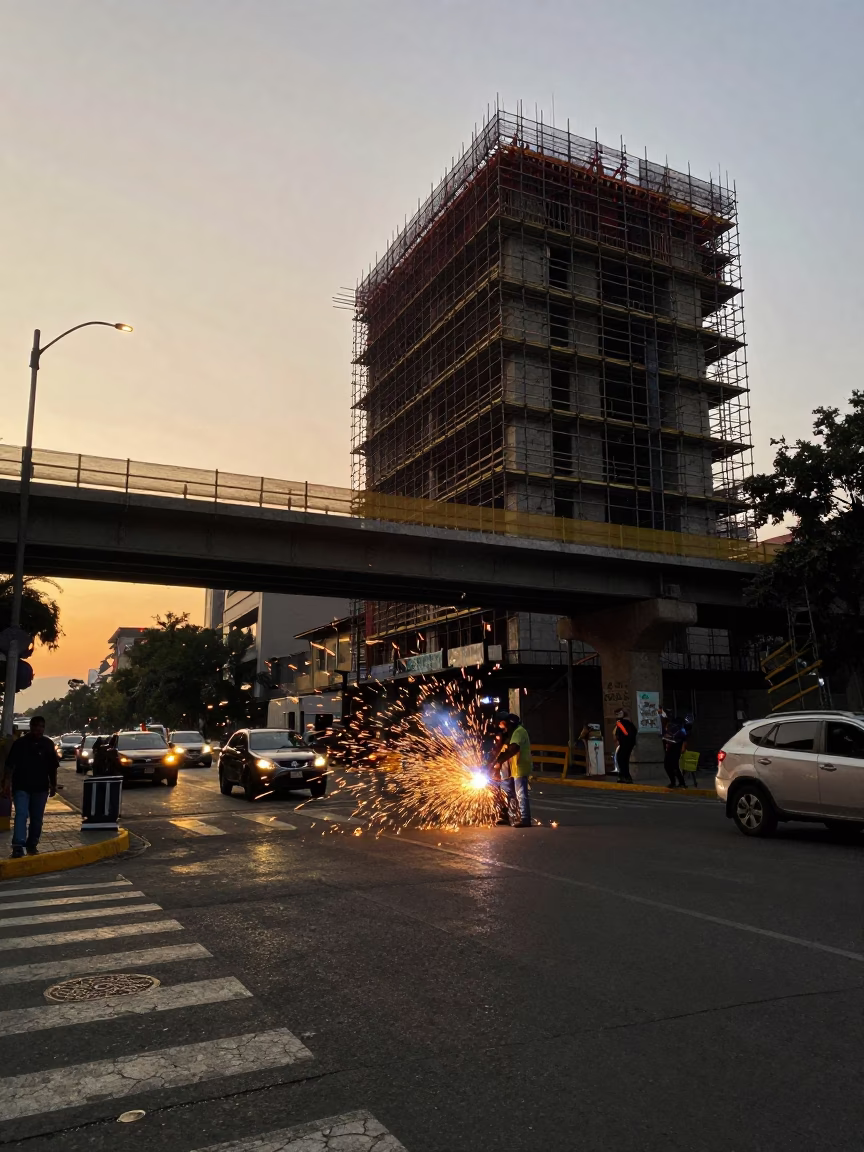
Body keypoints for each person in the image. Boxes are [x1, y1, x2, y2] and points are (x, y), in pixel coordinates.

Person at [1, 715, 59, 858]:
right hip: (21, 787)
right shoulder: (20, 744)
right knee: (21, 814)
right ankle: (18, 845)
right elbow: (10, 766)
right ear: (30, 727)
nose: (38, 729)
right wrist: (6, 785)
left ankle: (32, 843)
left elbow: (52, 767)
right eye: (35, 726)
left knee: (37, 818)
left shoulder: (47, 744)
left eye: (41, 726)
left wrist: (53, 785)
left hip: (40, 788)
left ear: (44, 728)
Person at [491, 712, 533, 827]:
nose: (500, 726)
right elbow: (502, 749)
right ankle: (506, 816)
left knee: (520, 794)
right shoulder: (509, 733)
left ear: (506, 722)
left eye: (501, 723)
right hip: (509, 769)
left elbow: (513, 749)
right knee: (506, 793)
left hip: (519, 767)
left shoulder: (519, 732)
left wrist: (499, 762)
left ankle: (525, 818)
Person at [659, 709, 687, 789]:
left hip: (675, 748)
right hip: (670, 748)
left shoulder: (678, 727)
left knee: (674, 766)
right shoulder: (668, 726)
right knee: (668, 765)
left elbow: (684, 739)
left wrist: (683, 747)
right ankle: (673, 782)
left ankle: (681, 783)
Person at [613, 708, 637, 783]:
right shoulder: (629, 722)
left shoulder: (620, 723)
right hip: (630, 743)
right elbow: (634, 731)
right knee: (624, 759)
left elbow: (622, 733)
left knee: (621, 759)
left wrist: (619, 739)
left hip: (624, 743)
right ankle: (623, 776)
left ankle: (625, 776)